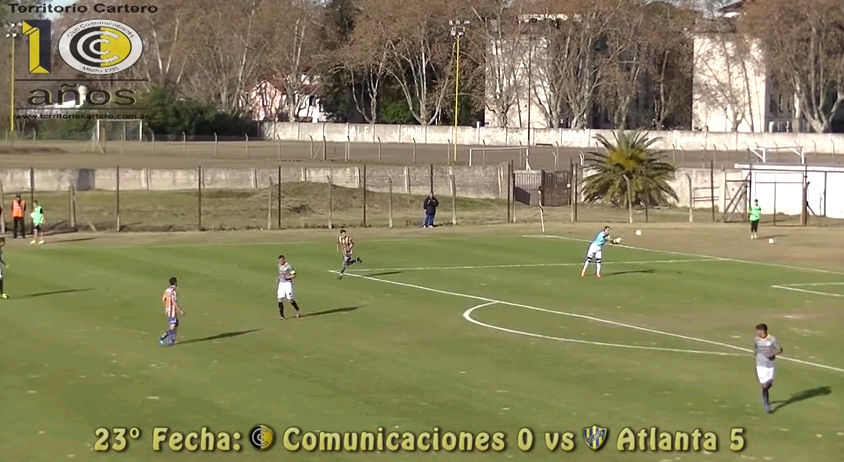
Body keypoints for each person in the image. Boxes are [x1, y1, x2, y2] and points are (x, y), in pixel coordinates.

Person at [753, 323, 782, 413]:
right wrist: (754, 355)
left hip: (770, 364)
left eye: (757, 330)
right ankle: (766, 403)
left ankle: (764, 393)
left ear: (763, 331)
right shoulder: (756, 339)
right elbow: (756, 348)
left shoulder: (772, 339)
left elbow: (780, 349)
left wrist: (773, 354)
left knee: (769, 384)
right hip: (760, 365)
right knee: (764, 384)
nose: (756, 332)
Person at [159, 277, 184, 346]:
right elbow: (174, 302)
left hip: (168, 311)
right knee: (172, 327)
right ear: (175, 283)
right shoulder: (173, 291)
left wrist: (167, 306)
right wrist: (180, 310)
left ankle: (172, 340)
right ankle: (162, 337)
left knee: (176, 324)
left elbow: (163, 299)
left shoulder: (167, 290)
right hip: (172, 311)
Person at [277, 255, 301, 320]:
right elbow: (280, 274)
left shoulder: (289, 267)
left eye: (281, 260)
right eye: (279, 261)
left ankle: (297, 310)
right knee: (280, 299)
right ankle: (282, 316)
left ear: (284, 260)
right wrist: (279, 278)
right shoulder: (279, 266)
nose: (280, 262)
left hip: (287, 284)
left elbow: (294, 275)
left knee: (290, 299)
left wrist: (288, 277)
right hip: (281, 284)